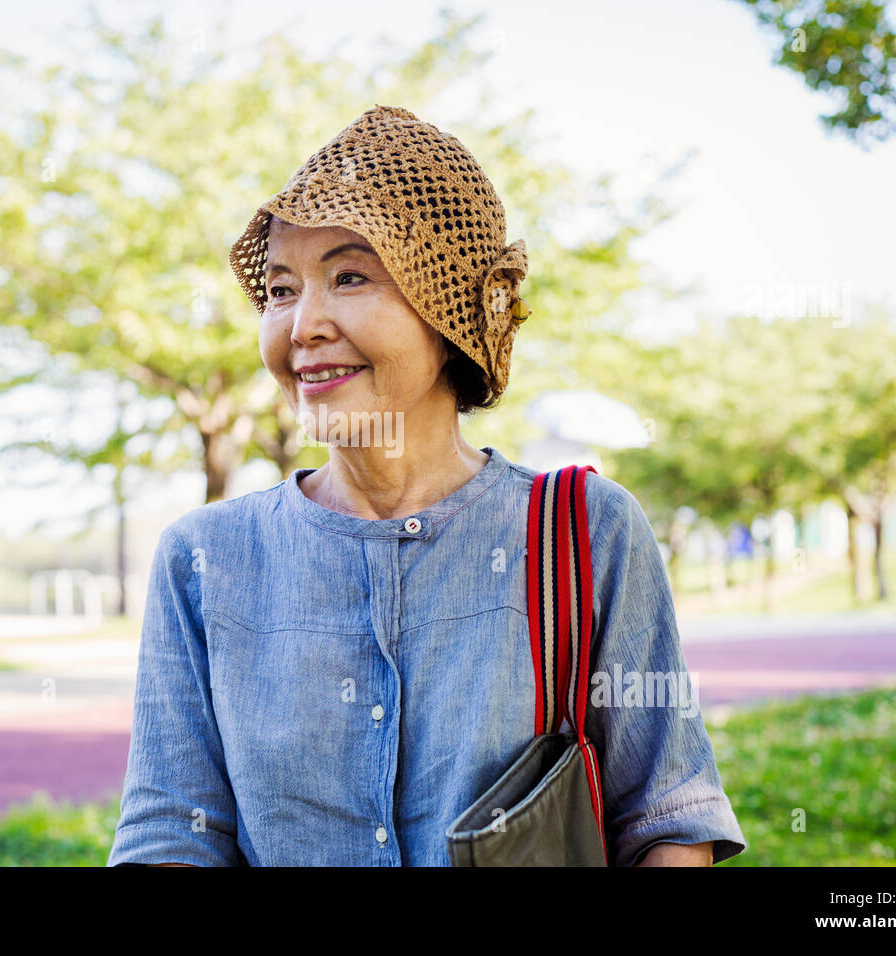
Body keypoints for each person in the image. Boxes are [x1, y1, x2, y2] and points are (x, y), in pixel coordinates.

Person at [107, 105, 746, 867]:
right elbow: (172, 835)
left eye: (349, 277)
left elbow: (667, 821)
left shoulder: (588, 530)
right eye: (281, 290)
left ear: (449, 315)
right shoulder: (204, 557)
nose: (302, 324)